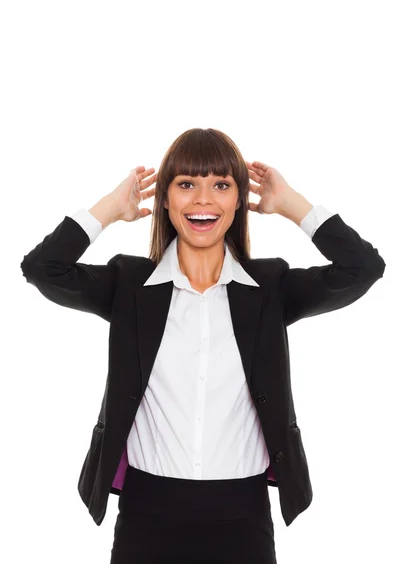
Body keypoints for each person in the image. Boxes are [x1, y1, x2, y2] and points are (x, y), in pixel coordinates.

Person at [20, 128, 385, 564]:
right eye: (187, 184)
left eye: (221, 185)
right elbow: (43, 268)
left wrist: (291, 206)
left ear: (237, 200)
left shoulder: (269, 287)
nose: (203, 200)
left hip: (242, 518)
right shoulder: (130, 286)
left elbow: (362, 268)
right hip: (146, 514)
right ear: (166, 199)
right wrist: (108, 211)